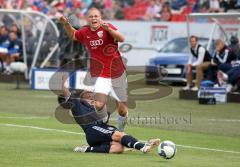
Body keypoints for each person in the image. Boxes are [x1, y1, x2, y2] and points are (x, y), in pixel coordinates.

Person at [59, 7, 128, 131]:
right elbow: (73, 35)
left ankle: (121, 132)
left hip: (117, 73)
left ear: (100, 17)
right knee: (99, 105)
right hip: (101, 75)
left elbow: (122, 39)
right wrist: (66, 24)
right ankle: (105, 124)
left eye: (96, 16)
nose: (94, 18)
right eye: (91, 16)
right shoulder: (85, 31)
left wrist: (108, 29)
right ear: (88, 19)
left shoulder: (107, 27)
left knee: (122, 111)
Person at [61, 75, 160, 154]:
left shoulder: (95, 107)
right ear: (82, 96)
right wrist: (64, 81)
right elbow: (66, 93)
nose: (91, 95)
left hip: (99, 131)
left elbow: (105, 113)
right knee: (118, 135)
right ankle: (143, 146)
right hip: (93, 129)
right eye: (88, 93)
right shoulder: (77, 104)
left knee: (118, 148)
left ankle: (87, 149)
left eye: (92, 93)